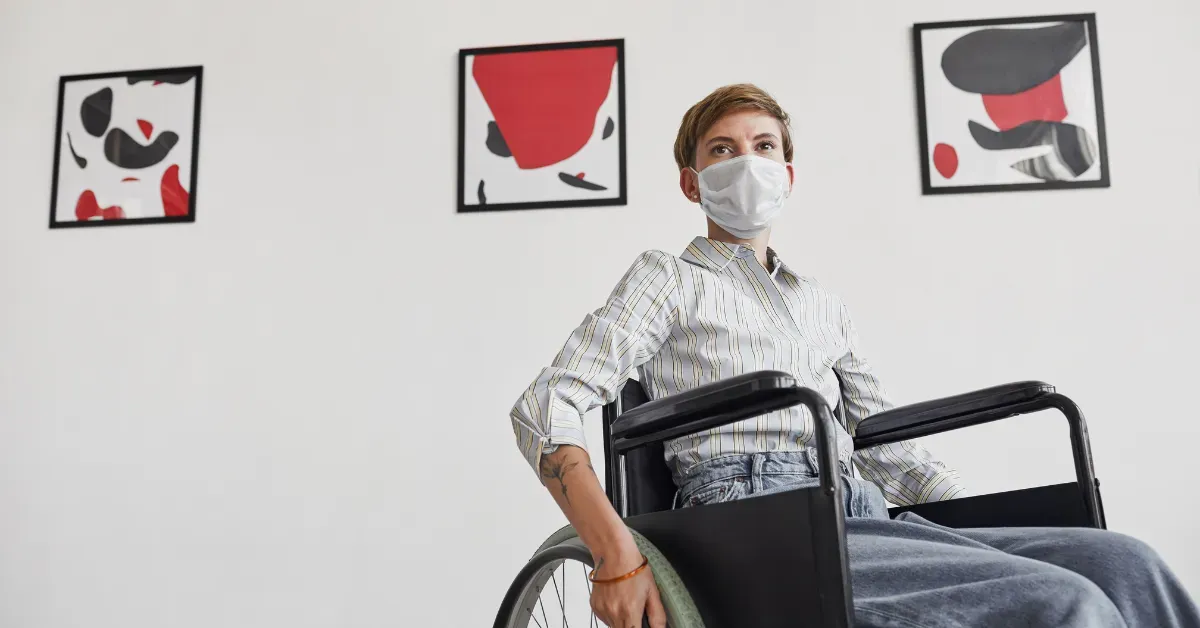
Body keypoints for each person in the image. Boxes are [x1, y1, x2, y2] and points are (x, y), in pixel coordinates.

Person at [509, 84, 1200, 628]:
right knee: (1062, 607)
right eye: (722, 149)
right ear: (692, 182)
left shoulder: (822, 302)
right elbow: (548, 406)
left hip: (856, 508)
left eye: (763, 144)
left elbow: (883, 442)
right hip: (751, 522)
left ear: (788, 171)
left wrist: (974, 523)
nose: (746, 160)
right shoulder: (668, 278)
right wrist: (614, 553)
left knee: (1129, 567)